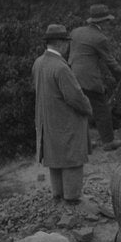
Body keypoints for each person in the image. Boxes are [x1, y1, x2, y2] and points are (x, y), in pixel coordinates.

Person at [32, 24, 93, 205]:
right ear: (61, 44)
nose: (67, 46)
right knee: (71, 157)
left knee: (55, 157)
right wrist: (89, 108)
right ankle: (72, 198)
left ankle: (58, 194)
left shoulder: (38, 62)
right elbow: (75, 97)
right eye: (66, 42)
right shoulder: (61, 67)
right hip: (65, 120)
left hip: (47, 120)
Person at [69, 3, 121, 150]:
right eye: (108, 21)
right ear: (103, 22)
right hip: (88, 79)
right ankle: (108, 142)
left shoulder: (75, 32)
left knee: (79, 112)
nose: (109, 24)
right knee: (101, 110)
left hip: (70, 76)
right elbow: (110, 61)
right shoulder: (99, 38)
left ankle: (85, 143)